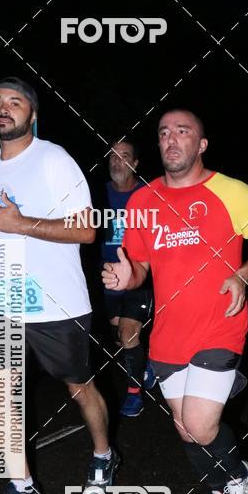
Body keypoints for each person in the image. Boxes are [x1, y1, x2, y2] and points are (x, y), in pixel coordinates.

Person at [102, 109, 248, 494]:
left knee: (202, 425)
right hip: (168, 333)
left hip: (220, 325)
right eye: (164, 133)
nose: (171, 139)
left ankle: (240, 475)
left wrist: (242, 274)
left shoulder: (230, 191)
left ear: (201, 145)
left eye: (182, 132)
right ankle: (217, 489)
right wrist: (128, 276)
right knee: (185, 429)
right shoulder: (143, 200)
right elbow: (140, 266)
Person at [0, 76, 118, 494]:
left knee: (78, 387)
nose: (4, 109)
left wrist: (19, 222)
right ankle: (21, 486)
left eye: (14, 102)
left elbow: (87, 231)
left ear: (32, 113)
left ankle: (104, 453)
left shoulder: (55, 160)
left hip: (58, 302)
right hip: (7, 296)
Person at [101, 138, 154, 417]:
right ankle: (144, 363)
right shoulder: (98, 195)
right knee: (119, 339)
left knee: (128, 332)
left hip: (138, 274)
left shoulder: (149, 194)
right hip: (108, 278)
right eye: (112, 156)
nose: (116, 162)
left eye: (123, 156)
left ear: (134, 163)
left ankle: (134, 393)